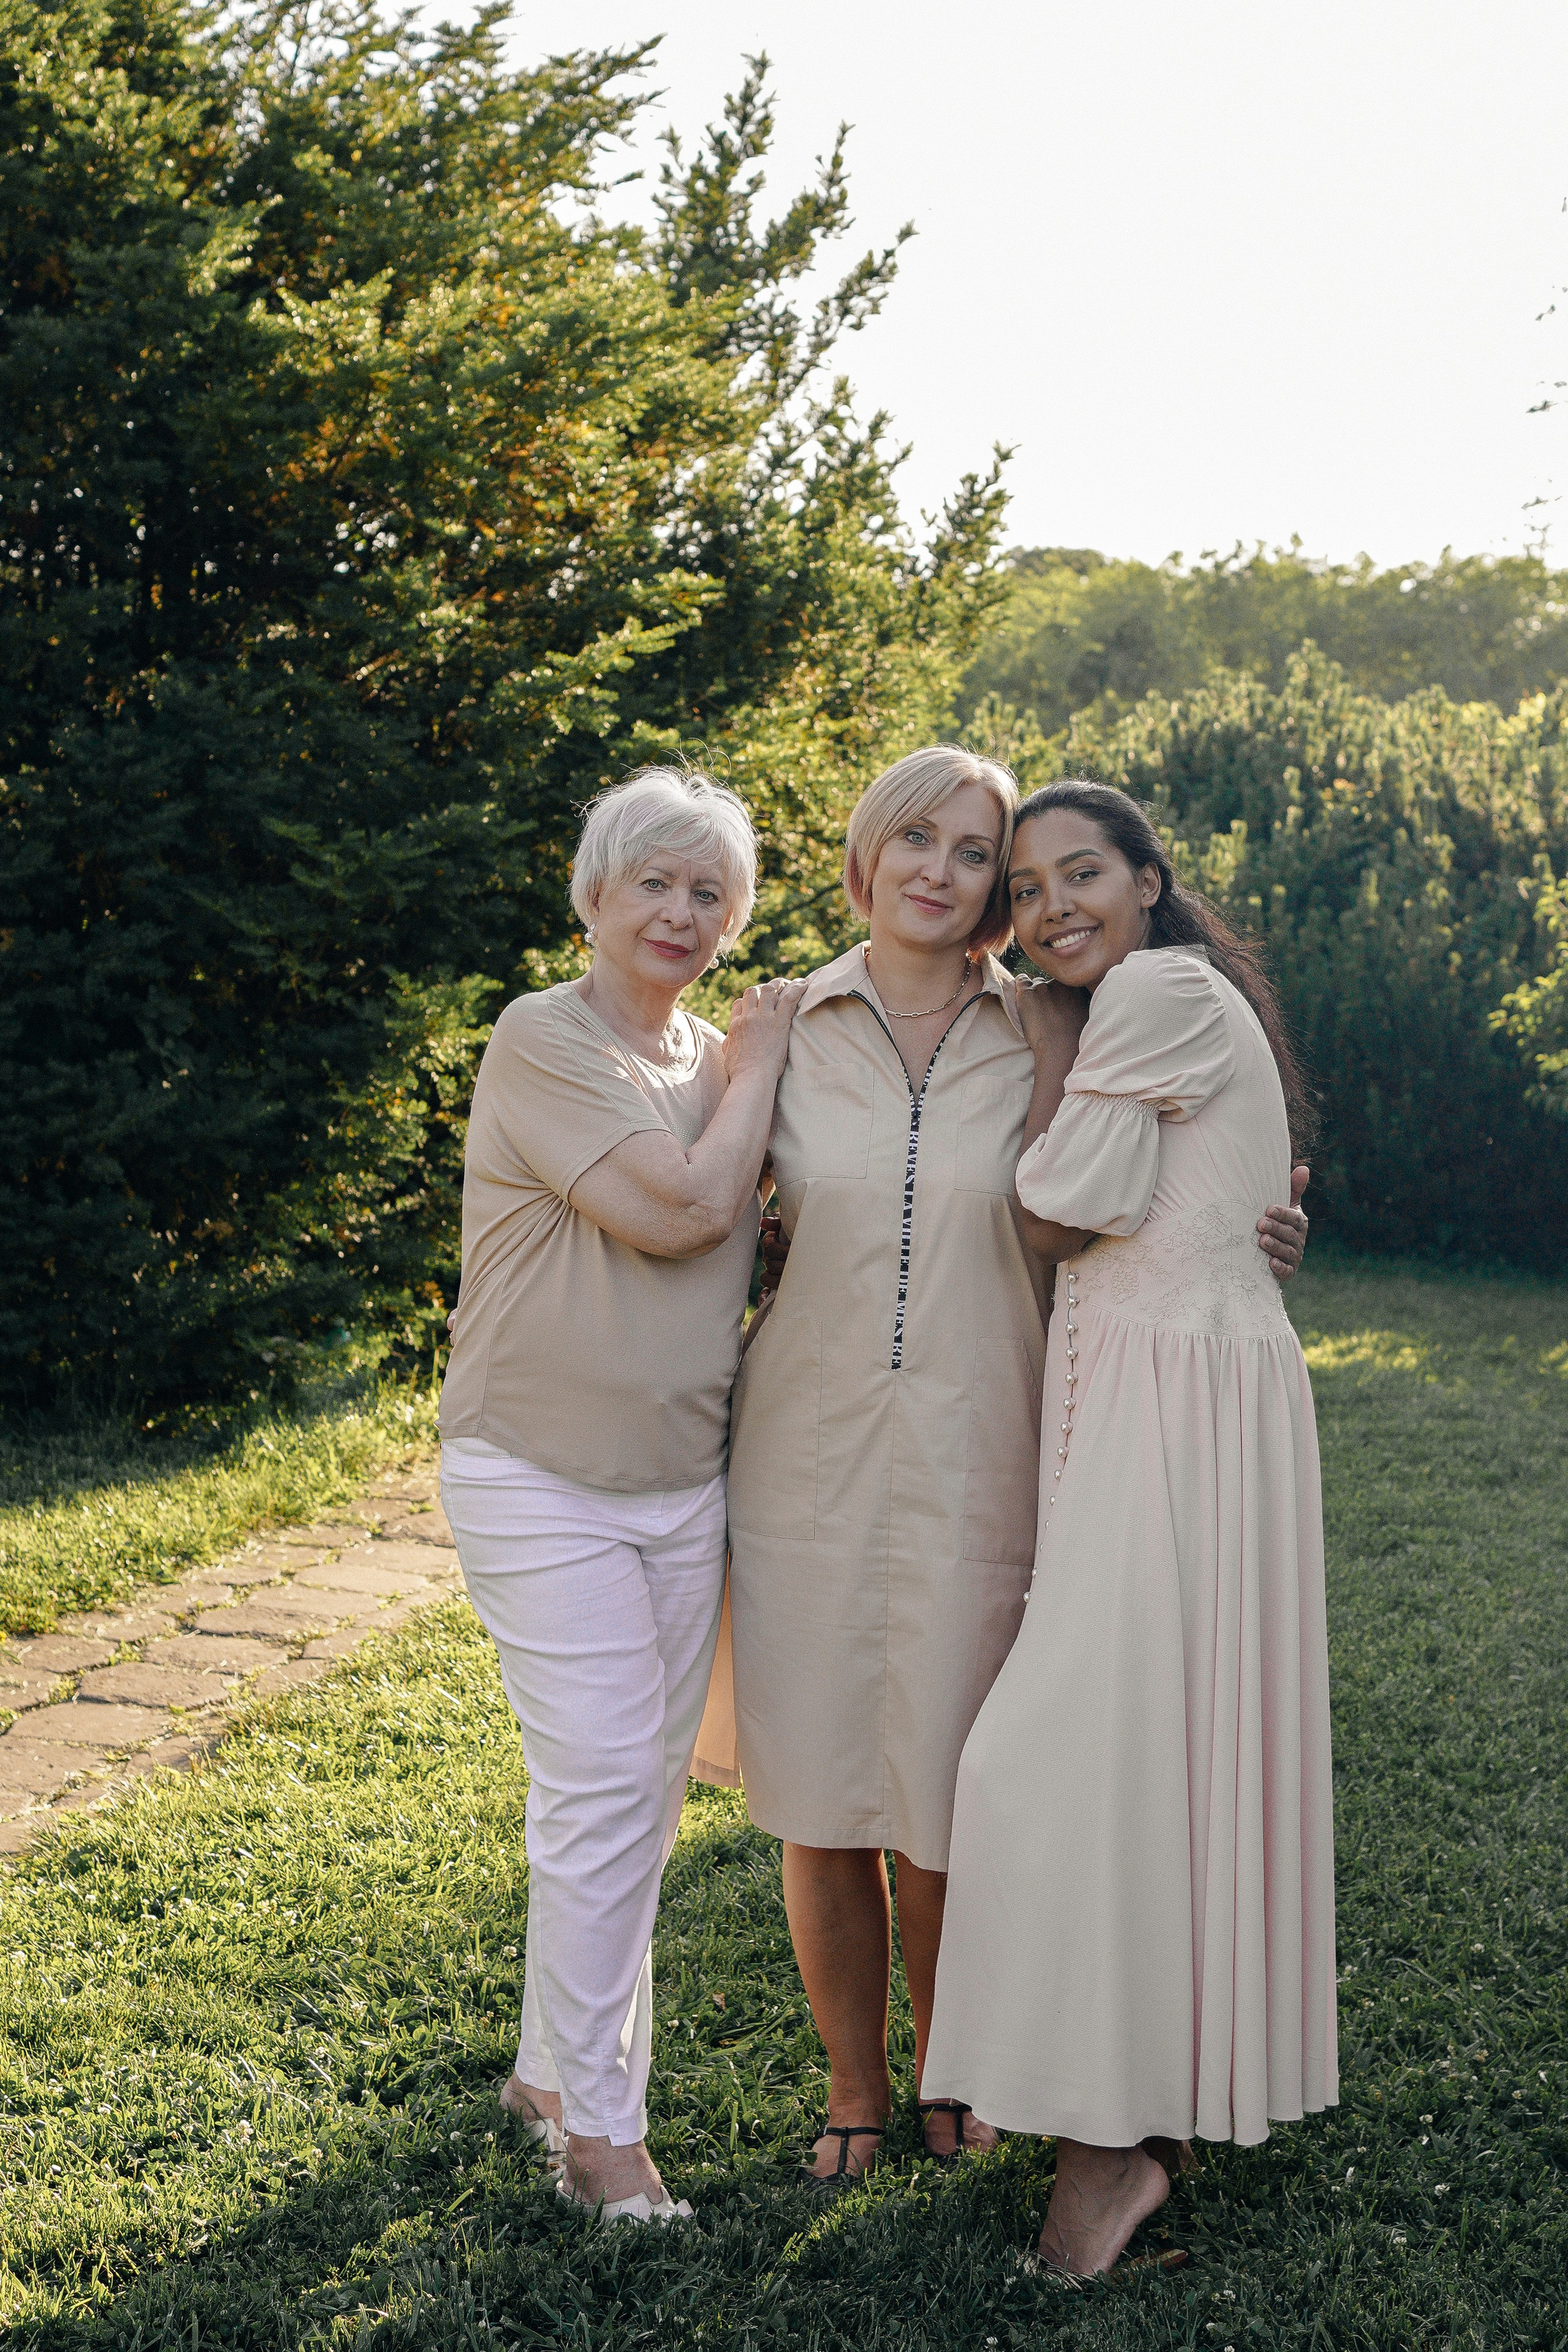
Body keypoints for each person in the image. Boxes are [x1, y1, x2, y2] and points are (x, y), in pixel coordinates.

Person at [717, 748, 1310, 2188]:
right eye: (913, 839)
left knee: (951, 1793)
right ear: (865, 855)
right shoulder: (779, 1026)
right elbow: (704, 1214)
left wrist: (1267, 1231)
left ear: (994, 894)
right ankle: (854, 2090)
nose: (940, 870)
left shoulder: (1055, 1020)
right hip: (804, 1451)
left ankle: (954, 2073)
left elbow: (1162, 1178)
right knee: (819, 1798)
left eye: (973, 852)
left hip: (995, 1445)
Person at [922, 780, 1337, 2277]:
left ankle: (1105, 2157)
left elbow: (1055, 1207)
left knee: (1052, 1756)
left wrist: (1051, 1061)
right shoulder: (1155, 1004)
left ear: (1149, 881)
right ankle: (1136, 2120)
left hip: (1175, 1416)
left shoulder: (1154, 993)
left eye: (1080, 873)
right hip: (1172, 1396)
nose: (1052, 910)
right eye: (1026, 892)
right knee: (1151, 1753)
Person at [437, 768, 805, 2225]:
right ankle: (602, 2139)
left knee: (632, 1806)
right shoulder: (546, 1036)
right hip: (537, 1474)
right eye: (652, 880)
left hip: (681, 1481)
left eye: (709, 892)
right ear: (591, 893)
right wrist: (761, 1067)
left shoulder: (715, 1057)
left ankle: (546, 2076)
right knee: (600, 1791)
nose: (679, 910)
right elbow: (684, 1209)